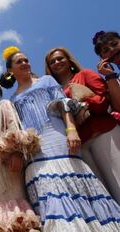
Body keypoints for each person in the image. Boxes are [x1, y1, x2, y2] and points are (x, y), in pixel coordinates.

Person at [0, 46, 120, 231]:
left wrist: (71, 130)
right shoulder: (12, 100)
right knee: (52, 195)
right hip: (36, 152)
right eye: (19, 62)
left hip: (60, 140)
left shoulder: (46, 80)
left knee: (81, 191)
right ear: (10, 71)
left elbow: (64, 105)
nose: (25, 63)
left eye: (26, 60)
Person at [45, 47, 120, 203]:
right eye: (52, 62)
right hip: (81, 146)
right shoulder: (52, 93)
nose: (57, 62)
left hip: (103, 133)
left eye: (60, 58)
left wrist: (84, 104)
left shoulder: (85, 75)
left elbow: (104, 101)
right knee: (103, 195)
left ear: (69, 61)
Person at [0, 72, 41, 232]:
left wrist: (16, 153)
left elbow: (13, 127)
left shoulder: (4, 104)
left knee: (16, 207)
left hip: (10, 164)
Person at [93, 31, 120, 121]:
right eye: (106, 50)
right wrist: (110, 75)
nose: (112, 50)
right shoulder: (115, 82)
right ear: (103, 59)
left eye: (114, 44)